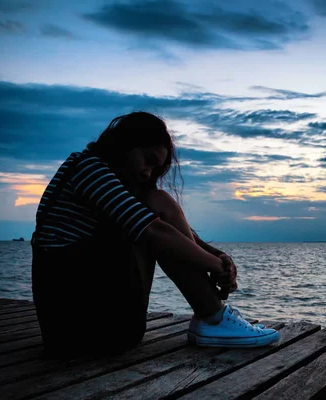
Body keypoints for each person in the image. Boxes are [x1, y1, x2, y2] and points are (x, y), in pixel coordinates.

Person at [31, 111, 280, 358]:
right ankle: (212, 317)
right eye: (148, 160)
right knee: (157, 208)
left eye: (155, 168)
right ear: (125, 144)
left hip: (84, 329)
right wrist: (215, 265)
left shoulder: (95, 175)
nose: (148, 173)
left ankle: (212, 317)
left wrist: (218, 256)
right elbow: (154, 230)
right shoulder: (87, 168)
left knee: (156, 208)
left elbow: (159, 226)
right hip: (80, 331)